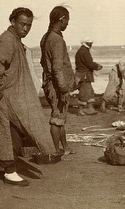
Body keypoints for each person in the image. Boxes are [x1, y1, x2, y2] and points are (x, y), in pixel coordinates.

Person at [0, 7, 56, 187]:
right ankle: (9, 171)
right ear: (12, 21)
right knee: (5, 134)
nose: (26, 28)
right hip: (1, 98)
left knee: (12, 133)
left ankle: (3, 166)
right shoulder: (8, 41)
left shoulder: (13, 40)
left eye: (29, 25)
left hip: (7, 96)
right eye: (22, 24)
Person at [40, 6, 75, 159]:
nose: (68, 24)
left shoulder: (46, 37)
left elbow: (44, 63)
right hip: (56, 86)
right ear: (62, 19)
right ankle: (54, 151)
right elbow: (57, 69)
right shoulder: (56, 39)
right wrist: (63, 89)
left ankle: (65, 147)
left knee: (59, 117)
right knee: (56, 118)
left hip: (49, 83)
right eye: (67, 20)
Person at [75, 38, 103, 115]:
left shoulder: (83, 50)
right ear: (85, 43)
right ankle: (81, 110)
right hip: (84, 76)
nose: (91, 45)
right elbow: (89, 63)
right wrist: (97, 66)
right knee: (84, 93)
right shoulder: (84, 51)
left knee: (90, 93)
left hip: (84, 75)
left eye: (91, 43)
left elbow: (88, 63)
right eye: (90, 43)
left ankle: (90, 109)